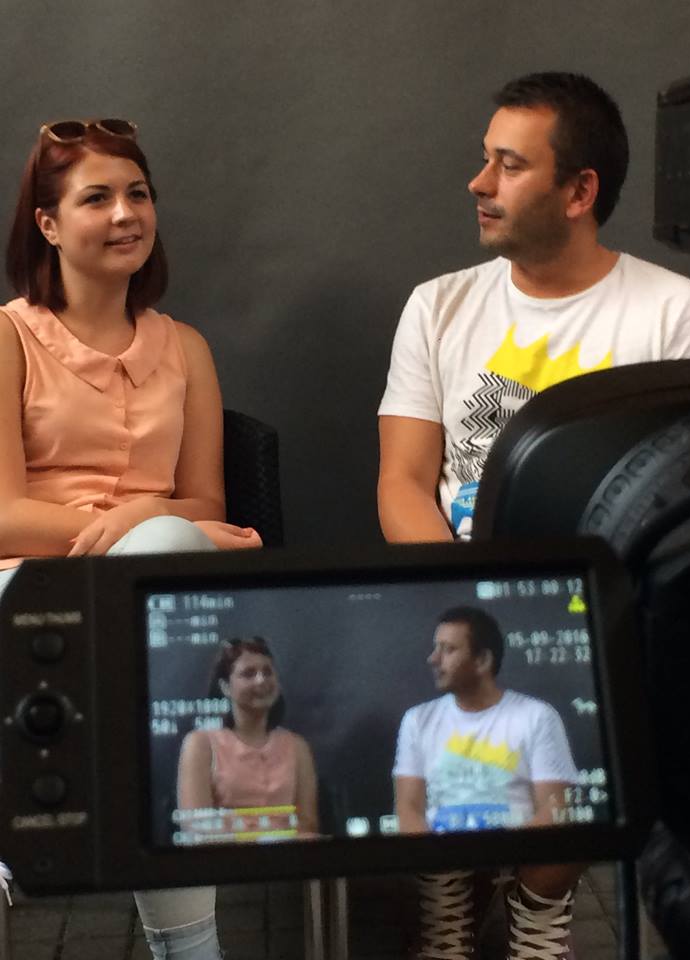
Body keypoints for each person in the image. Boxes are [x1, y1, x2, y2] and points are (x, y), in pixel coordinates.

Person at [0, 118, 263, 960]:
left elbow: (206, 501)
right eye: (98, 198)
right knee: (164, 691)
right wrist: (121, 522)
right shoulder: (8, 337)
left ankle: (31, 811)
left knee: (159, 600)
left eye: (138, 194)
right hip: (29, 591)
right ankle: (192, 949)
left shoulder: (186, 348)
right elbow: (2, 514)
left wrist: (145, 525)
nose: (126, 214)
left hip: (159, 585)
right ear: (47, 223)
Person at [377, 71, 690, 544]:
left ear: (579, 193)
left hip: (612, 585)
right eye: (485, 160)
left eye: (510, 166)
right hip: (469, 575)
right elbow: (403, 484)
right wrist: (464, 580)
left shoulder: (679, 314)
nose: (479, 183)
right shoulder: (435, 307)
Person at [394, 607, 578, 959]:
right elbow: (408, 806)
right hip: (442, 849)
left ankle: (536, 913)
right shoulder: (418, 720)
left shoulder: (537, 716)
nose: (433, 659)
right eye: (436, 648)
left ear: (482, 660)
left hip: (526, 847)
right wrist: (437, 855)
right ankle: (447, 914)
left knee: (577, 827)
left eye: (448, 649)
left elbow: (554, 807)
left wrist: (501, 849)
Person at [177, 636, 318, 840]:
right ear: (225, 686)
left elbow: (308, 823)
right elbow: (196, 826)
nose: (261, 680)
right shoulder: (200, 744)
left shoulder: (297, 746)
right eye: (248, 674)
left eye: (267, 672)